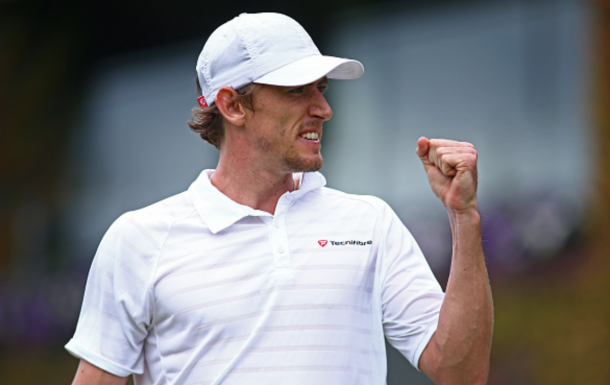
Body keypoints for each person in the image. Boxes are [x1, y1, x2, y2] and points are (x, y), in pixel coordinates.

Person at [67, 12, 492, 385]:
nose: (323, 108)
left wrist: (464, 217)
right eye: (296, 91)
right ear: (232, 105)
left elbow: (460, 374)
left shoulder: (371, 223)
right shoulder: (138, 240)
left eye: (321, 88)